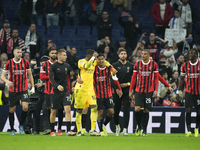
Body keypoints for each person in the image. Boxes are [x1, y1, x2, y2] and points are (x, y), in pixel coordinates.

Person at [74, 49, 116, 136]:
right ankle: (79, 130)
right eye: (95, 57)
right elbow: (86, 66)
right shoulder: (81, 61)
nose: (97, 59)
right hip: (81, 89)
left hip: (90, 90)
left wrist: (111, 67)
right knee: (79, 110)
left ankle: (93, 130)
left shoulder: (94, 62)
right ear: (90, 56)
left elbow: (105, 62)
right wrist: (93, 58)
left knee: (93, 108)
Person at [1, 47, 35, 135]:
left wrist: (33, 87)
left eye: (21, 52)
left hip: (23, 89)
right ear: (14, 53)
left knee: (25, 107)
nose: (20, 54)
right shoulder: (9, 63)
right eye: (18, 52)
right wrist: (7, 81)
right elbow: (2, 76)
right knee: (12, 109)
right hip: (13, 90)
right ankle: (12, 128)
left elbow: (30, 75)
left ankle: (21, 125)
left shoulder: (25, 62)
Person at [129, 49, 159, 136]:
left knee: (146, 110)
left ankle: (145, 129)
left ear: (149, 55)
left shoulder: (154, 64)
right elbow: (134, 78)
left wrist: (156, 90)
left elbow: (156, 78)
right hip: (138, 90)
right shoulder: (137, 64)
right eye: (142, 54)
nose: (143, 55)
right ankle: (139, 126)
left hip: (149, 91)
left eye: (145, 54)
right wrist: (131, 90)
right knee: (137, 109)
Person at [48, 48, 75, 136]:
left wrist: (70, 91)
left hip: (65, 92)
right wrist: (57, 86)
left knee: (68, 109)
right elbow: (51, 79)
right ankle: (52, 130)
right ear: (59, 56)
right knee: (53, 111)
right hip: (55, 92)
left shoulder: (67, 66)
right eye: (64, 55)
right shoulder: (53, 66)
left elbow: (69, 79)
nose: (66, 56)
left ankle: (68, 130)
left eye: (66, 55)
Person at [94, 53, 122, 136]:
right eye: (99, 59)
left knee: (111, 112)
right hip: (98, 94)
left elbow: (114, 79)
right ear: (97, 60)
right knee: (100, 112)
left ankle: (103, 125)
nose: (101, 60)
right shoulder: (94, 69)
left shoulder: (108, 68)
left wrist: (118, 88)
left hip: (108, 94)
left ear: (105, 59)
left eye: (102, 59)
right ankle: (101, 131)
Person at [176, 49, 200, 137]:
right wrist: (178, 91)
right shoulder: (185, 65)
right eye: (189, 53)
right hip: (189, 91)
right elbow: (182, 79)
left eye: (192, 53)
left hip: (199, 92)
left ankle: (197, 128)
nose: (190, 55)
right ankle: (189, 130)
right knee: (188, 110)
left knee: (199, 111)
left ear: (196, 55)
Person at [40, 49, 64, 135]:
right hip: (48, 90)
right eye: (52, 53)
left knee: (60, 108)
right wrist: (52, 76)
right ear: (49, 54)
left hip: (59, 90)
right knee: (49, 109)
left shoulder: (61, 63)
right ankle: (50, 129)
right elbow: (42, 77)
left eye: (55, 53)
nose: (54, 54)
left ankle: (60, 128)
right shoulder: (45, 64)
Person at [112, 49, 134, 136]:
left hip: (127, 91)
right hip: (117, 91)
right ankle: (117, 127)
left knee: (126, 110)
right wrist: (117, 89)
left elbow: (134, 79)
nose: (123, 55)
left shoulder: (131, 65)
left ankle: (125, 129)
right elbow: (111, 79)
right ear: (118, 55)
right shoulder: (114, 66)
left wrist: (129, 87)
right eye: (122, 54)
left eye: (125, 53)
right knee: (116, 110)